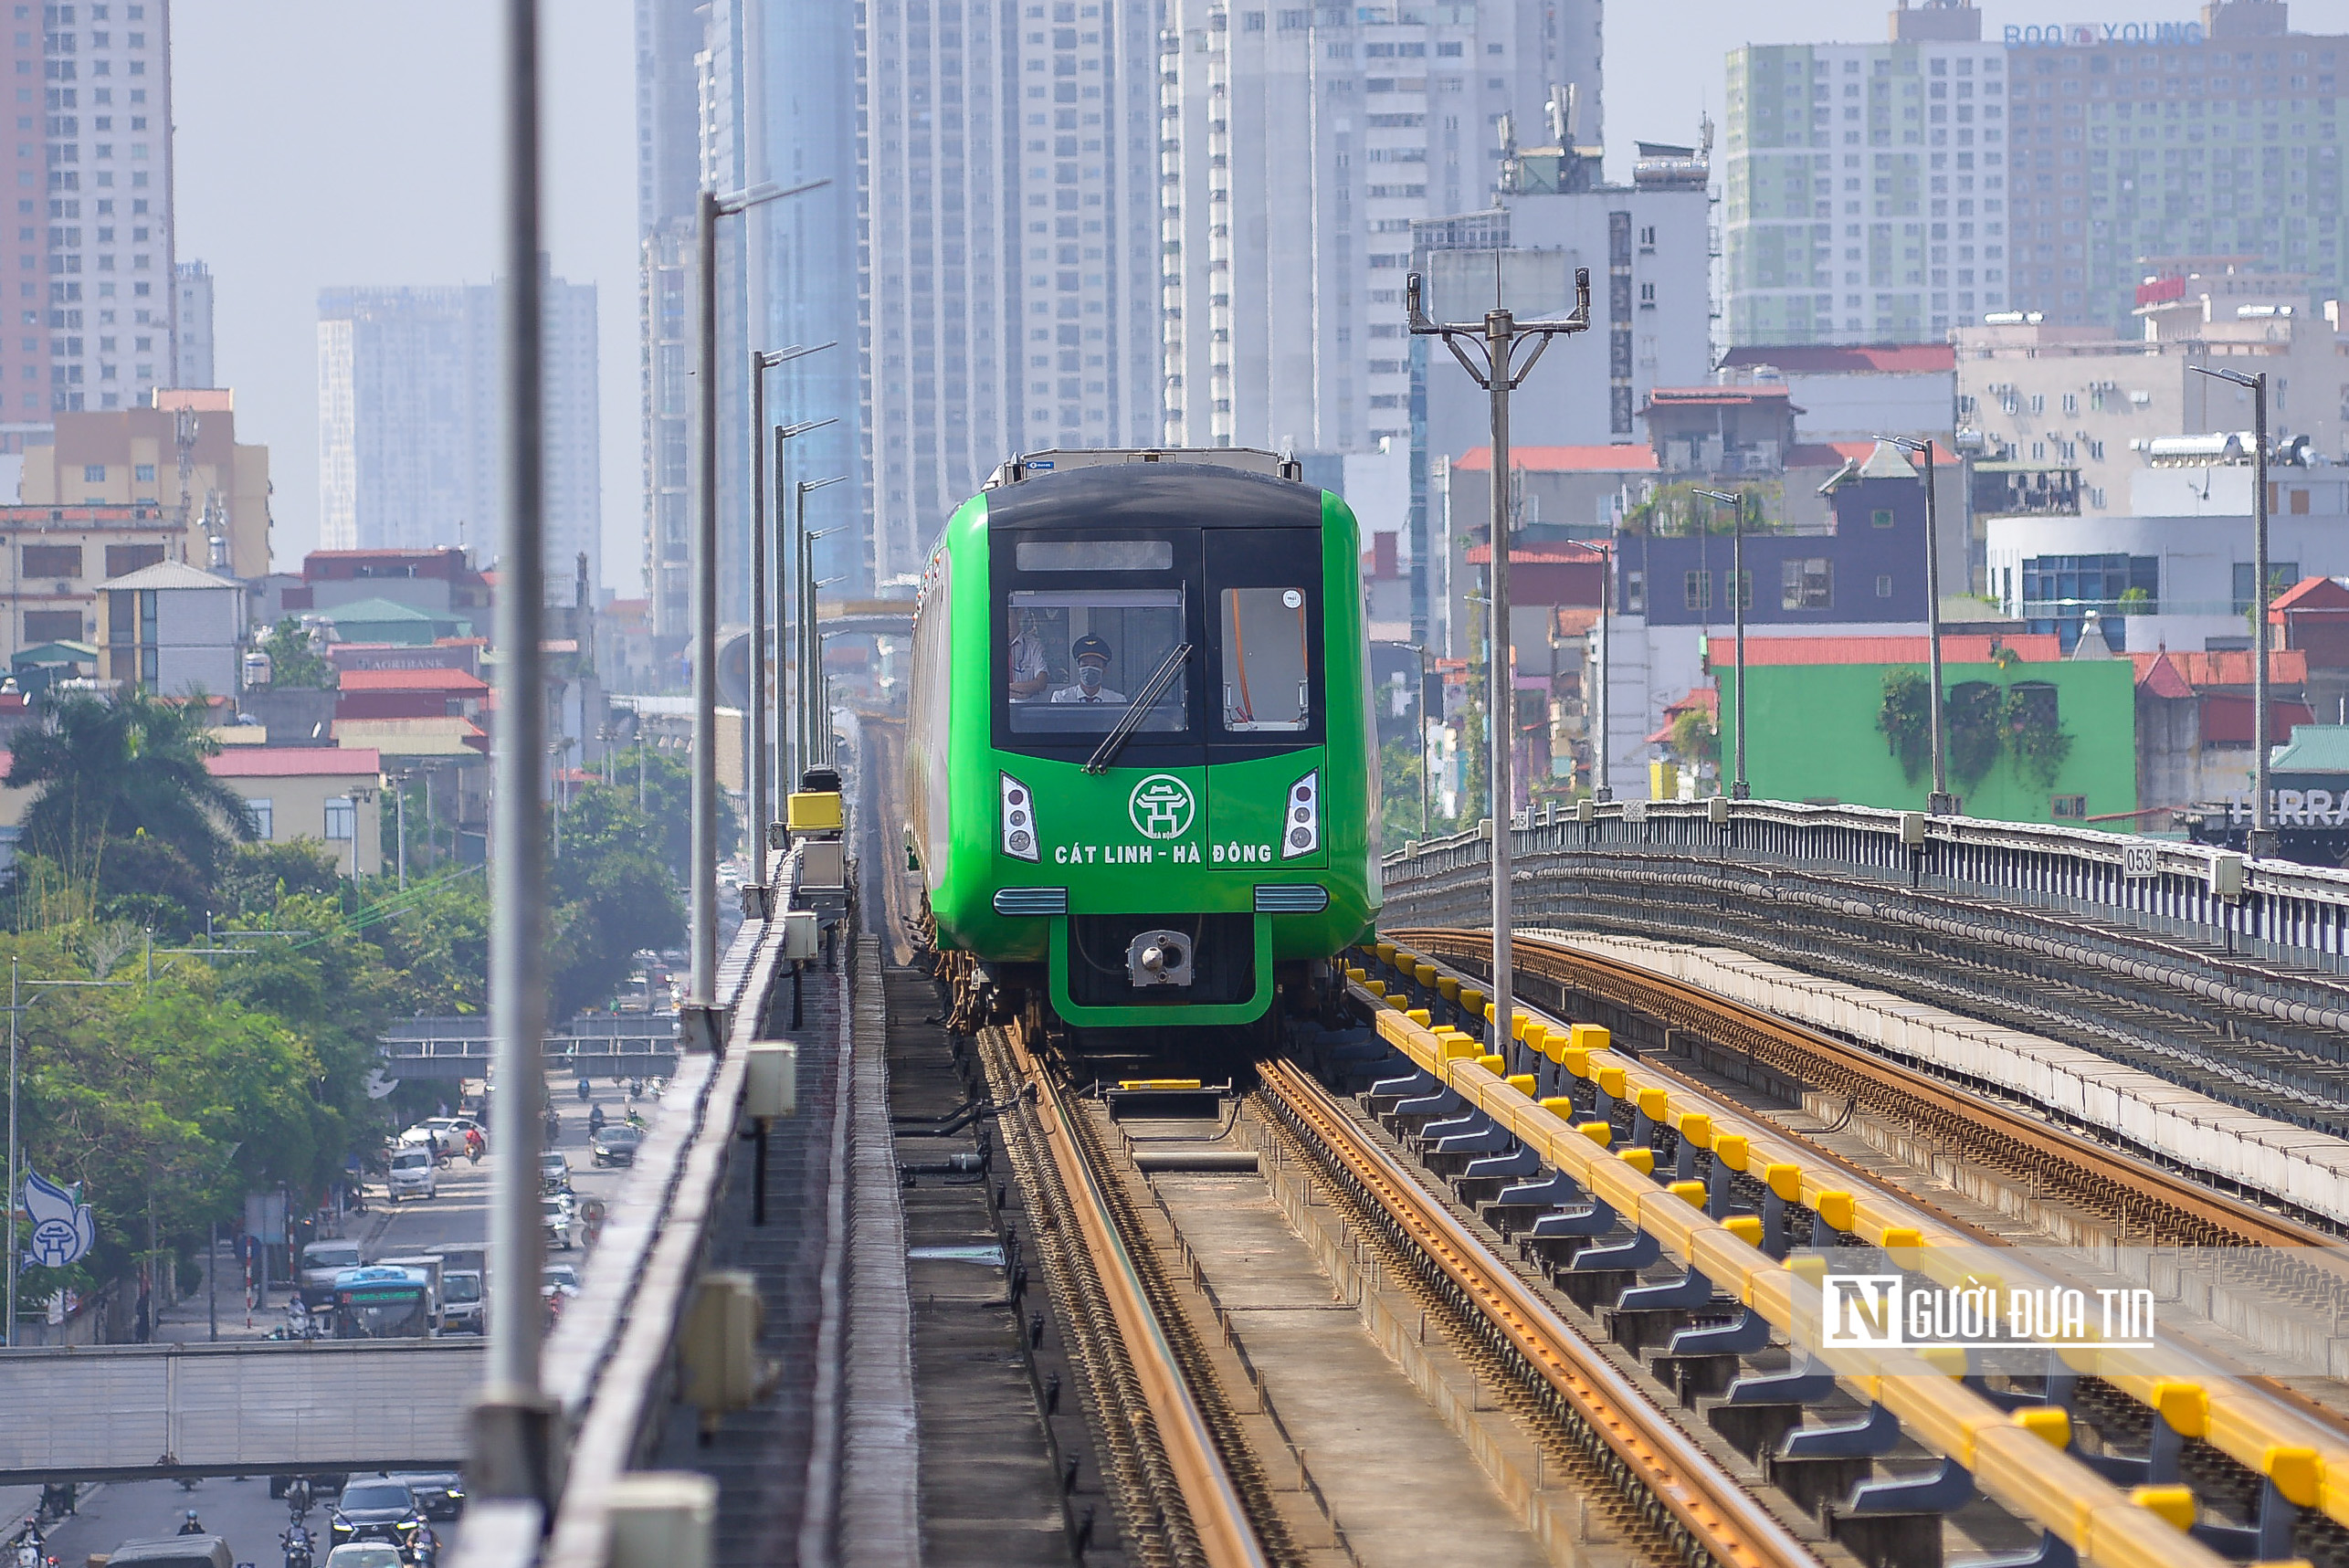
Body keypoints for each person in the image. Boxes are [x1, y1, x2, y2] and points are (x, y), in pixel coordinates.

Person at [1050, 636, 1126, 704]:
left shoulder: (1117, 701)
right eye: (1085, 665)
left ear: (1104, 670)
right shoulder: (1061, 699)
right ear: (1079, 668)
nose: (1089, 669)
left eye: (1095, 665)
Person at [1006, 612, 1052, 702]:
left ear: (1018, 616)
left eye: (1007, 616)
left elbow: (1041, 683)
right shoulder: (986, 646)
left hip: (1026, 707)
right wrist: (1022, 692)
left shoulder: (1034, 646)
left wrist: (1006, 688)